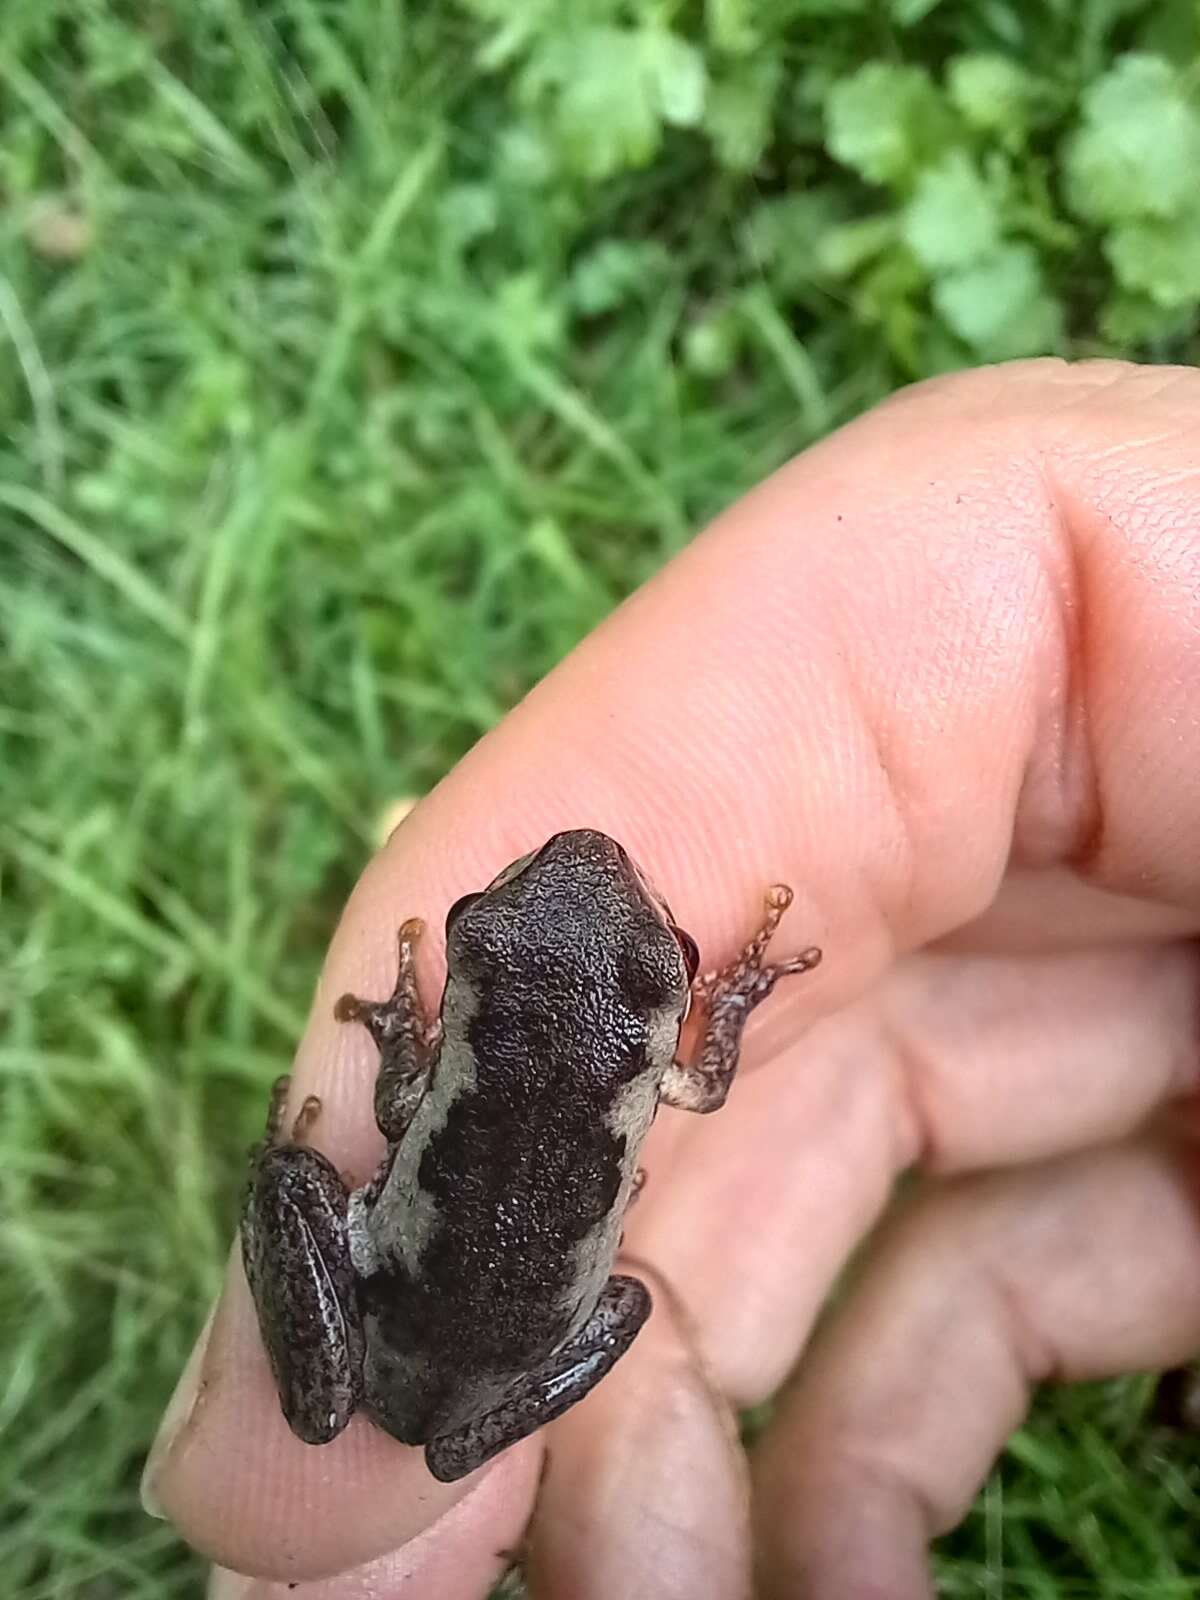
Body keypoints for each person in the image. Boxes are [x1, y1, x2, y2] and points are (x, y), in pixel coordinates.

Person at [143, 359, 1200, 1599]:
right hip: (446, 1336)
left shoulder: (502, 1074)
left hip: (401, 1322)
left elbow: (399, 1113)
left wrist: (395, 1035)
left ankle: (316, 1222)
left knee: (348, 1220)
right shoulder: (673, 1073)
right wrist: (730, 986)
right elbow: (690, 1080)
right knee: (614, 1311)